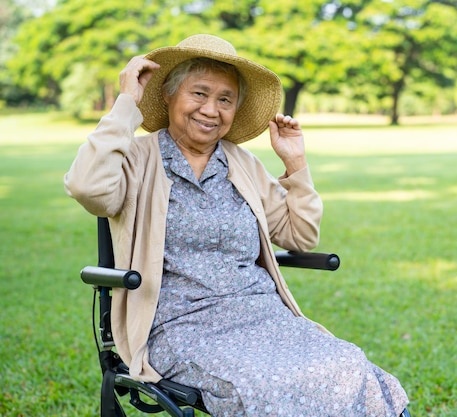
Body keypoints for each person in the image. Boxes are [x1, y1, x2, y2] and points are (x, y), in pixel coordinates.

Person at [65, 34, 409, 416]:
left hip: (262, 315)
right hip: (181, 324)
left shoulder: (243, 165)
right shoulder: (137, 158)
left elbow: (300, 234)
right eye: (199, 94)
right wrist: (126, 104)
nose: (211, 110)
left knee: (351, 365)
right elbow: (87, 187)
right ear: (169, 95)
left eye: (225, 99)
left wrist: (295, 163)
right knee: (257, 384)